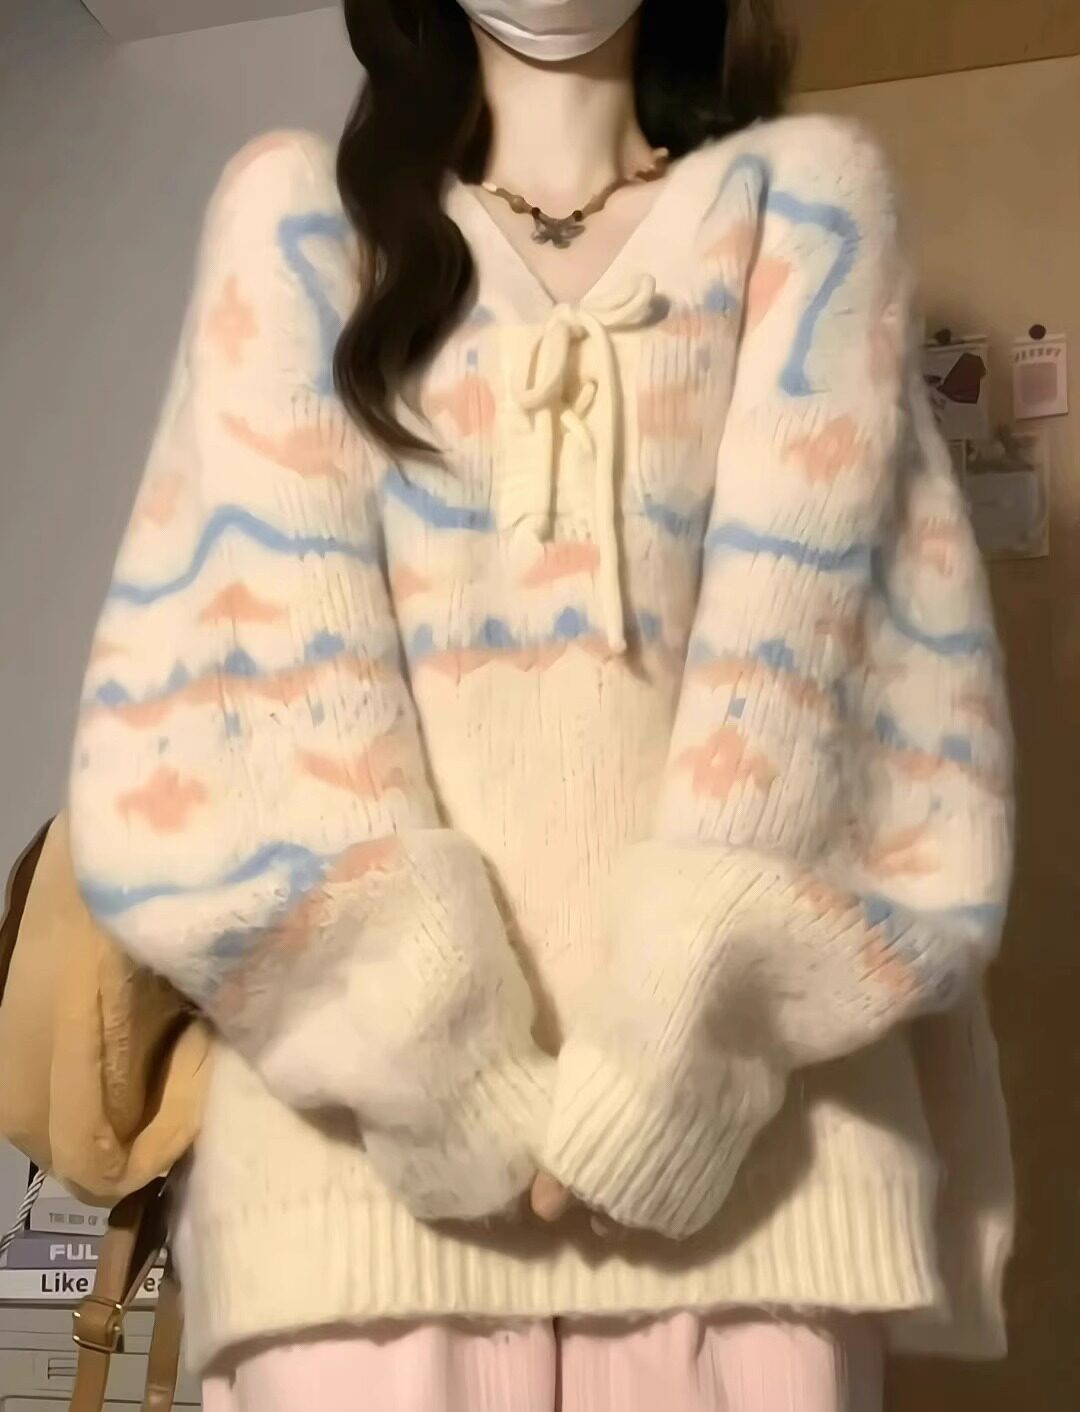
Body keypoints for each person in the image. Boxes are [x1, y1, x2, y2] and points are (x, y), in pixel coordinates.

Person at [68, 1, 1015, 1408]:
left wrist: (675, 1056)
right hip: (354, 1211)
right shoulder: (298, 224)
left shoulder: (805, 208)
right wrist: (442, 1065)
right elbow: (223, 701)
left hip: (757, 1196)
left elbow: (865, 697)